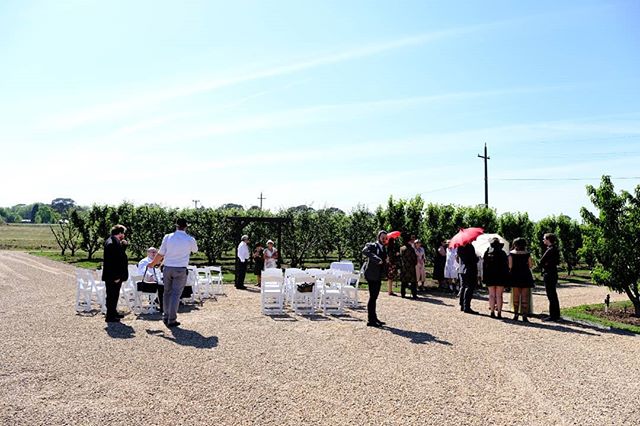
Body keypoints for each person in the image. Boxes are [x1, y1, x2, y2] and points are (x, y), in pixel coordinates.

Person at [147, 218, 198, 327]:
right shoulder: (190, 239)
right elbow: (195, 250)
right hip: (181, 268)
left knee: (167, 293)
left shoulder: (168, 237)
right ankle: (172, 319)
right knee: (176, 294)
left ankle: (165, 315)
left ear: (176, 226)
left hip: (168, 268)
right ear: (186, 226)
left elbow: (160, 254)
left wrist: (152, 263)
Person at [101, 225, 129, 323]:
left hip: (114, 275)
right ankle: (110, 316)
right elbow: (112, 262)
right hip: (113, 275)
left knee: (114, 295)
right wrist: (116, 276)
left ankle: (113, 312)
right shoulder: (111, 243)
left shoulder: (113, 241)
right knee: (112, 295)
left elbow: (119, 255)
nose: (124, 235)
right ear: (120, 233)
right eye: (123, 233)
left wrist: (123, 246)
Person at [362, 230, 388, 327]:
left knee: (374, 297)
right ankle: (370, 320)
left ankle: (374, 318)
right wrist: (377, 259)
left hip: (378, 276)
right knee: (372, 297)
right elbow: (365, 251)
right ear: (378, 237)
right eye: (382, 237)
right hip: (371, 275)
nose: (384, 239)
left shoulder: (384, 248)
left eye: (386, 238)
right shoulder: (371, 245)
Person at [509, 237, 535, 322]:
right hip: (525, 275)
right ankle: (524, 315)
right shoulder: (527, 254)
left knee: (515, 296)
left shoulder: (511, 254)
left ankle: (516, 314)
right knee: (525, 297)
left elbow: (510, 266)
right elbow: (530, 265)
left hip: (515, 275)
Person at [482, 238, 509, 318]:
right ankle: (499, 313)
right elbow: (506, 266)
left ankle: (492, 312)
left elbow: (484, 266)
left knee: (491, 295)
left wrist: (484, 277)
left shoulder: (487, 253)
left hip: (490, 276)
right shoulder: (503, 253)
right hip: (500, 276)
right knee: (499, 295)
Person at [540, 233, 561, 321]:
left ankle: (553, 315)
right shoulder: (555, 249)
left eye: (544, 239)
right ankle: (556, 314)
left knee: (551, 295)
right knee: (553, 294)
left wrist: (545, 264)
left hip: (548, 273)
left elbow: (541, 261)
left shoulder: (550, 250)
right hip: (553, 273)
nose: (543, 240)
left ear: (548, 240)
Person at [137, 247, 162, 312]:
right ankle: (159, 304)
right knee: (161, 287)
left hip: (155, 280)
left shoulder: (155, 261)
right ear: (148, 253)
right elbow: (142, 271)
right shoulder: (144, 261)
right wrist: (150, 276)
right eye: (152, 252)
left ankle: (159, 302)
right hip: (145, 282)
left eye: (155, 252)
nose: (154, 254)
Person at [458, 242, 479, 314]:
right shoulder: (470, 247)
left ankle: (462, 305)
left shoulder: (459, 247)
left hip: (462, 269)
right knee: (469, 287)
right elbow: (473, 259)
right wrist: (477, 257)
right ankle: (466, 306)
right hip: (470, 269)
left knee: (463, 287)